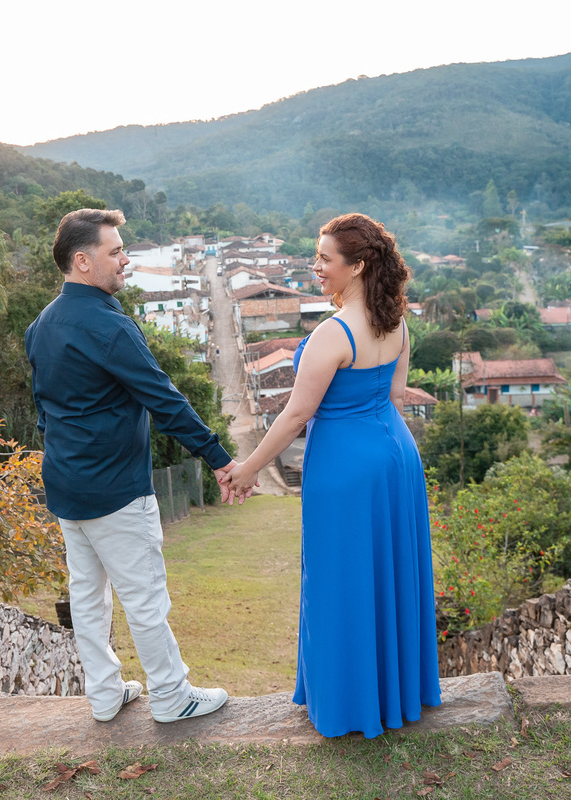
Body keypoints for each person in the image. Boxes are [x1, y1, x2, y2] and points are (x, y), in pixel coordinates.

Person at [220, 213, 442, 738]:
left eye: (324, 259)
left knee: (341, 578)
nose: (314, 267)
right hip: (396, 458)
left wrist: (247, 469)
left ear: (358, 265)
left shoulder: (333, 333)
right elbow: (395, 396)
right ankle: (395, 694)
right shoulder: (397, 324)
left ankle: (349, 704)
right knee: (389, 573)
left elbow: (296, 415)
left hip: (345, 468)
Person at [25, 208, 236, 724]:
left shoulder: (41, 324)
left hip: (66, 485)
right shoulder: (108, 325)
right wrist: (220, 459)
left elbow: (43, 411)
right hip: (115, 487)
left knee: (87, 595)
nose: (126, 260)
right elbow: (163, 400)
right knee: (144, 595)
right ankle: (170, 694)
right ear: (82, 260)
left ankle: (103, 694)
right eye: (116, 251)